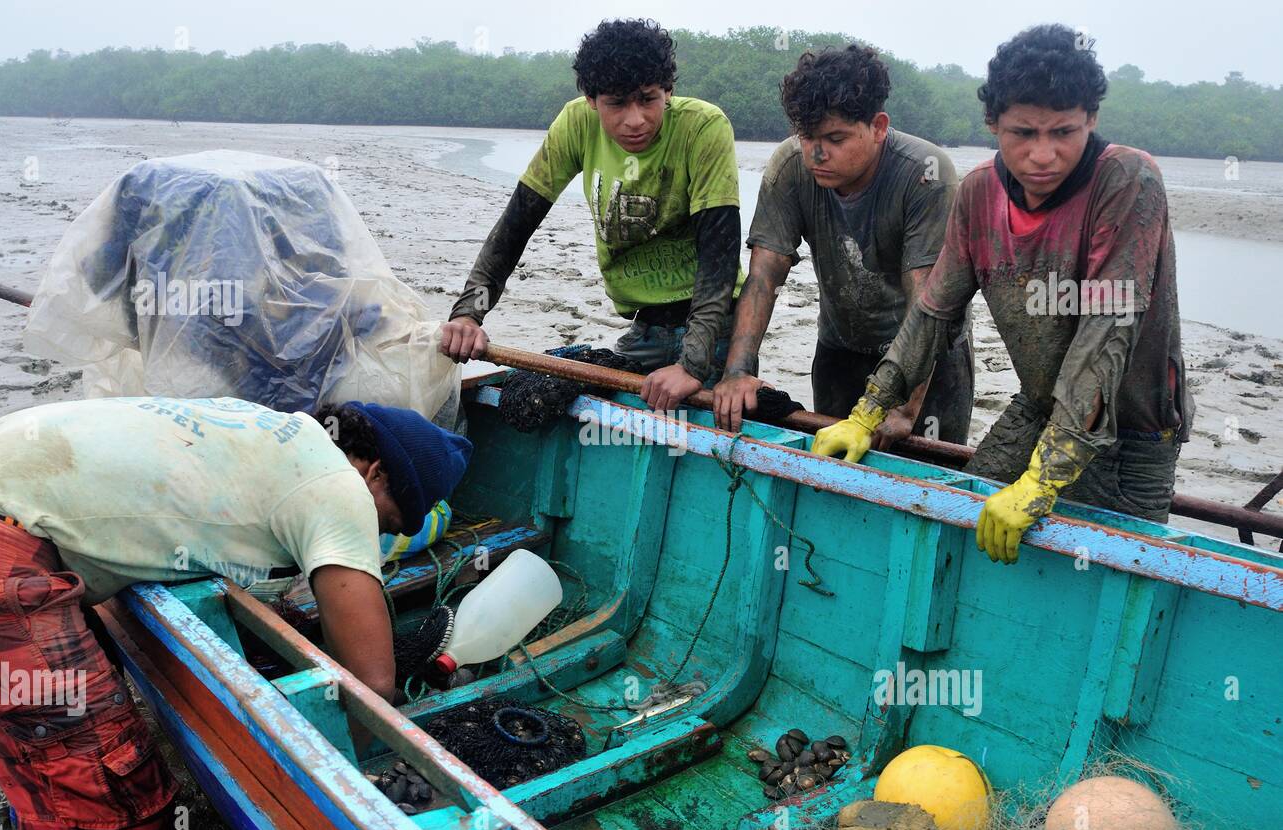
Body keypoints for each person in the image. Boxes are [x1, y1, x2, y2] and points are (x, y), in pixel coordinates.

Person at [0, 396, 470, 830]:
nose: (380, 536)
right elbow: (373, 683)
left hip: (9, 496)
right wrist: (323, 776)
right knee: (114, 797)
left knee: (44, 750)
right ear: (375, 471)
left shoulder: (275, 431)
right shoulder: (341, 486)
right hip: (3, 546)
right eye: (388, 521)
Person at [811, 24, 1193, 565]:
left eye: (1064, 131)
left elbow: (1105, 335)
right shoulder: (978, 192)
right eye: (1023, 133)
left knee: (1106, 576)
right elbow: (933, 312)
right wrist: (866, 413)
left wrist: (1044, 477)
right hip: (1037, 406)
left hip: (1133, 434)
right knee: (964, 525)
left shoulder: (1128, 181)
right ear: (993, 124)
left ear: (1092, 119)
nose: (1044, 154)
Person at [439, 18, 744, 412]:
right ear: (591, 100)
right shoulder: (576, 124)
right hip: (646, 325)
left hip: (715, 325)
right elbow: (516, 226)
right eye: (616, 103)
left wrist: (692, 364)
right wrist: (468, 314)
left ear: (668, 92)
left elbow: (719, 257)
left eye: (648, 99)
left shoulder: (703, 128)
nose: (635, 120)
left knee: (705, 426)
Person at [713, 44, 974, 444]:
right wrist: (737, 372)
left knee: (923, 476)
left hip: (931, 358)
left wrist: (904, 407)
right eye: (807, 137)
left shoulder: (927, 174)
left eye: (835, 138)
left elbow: (929, 302)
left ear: (879, 126)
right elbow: (764, 276)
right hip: (842, 346)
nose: (817, 153)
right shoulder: (789, 168)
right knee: (833, 465)